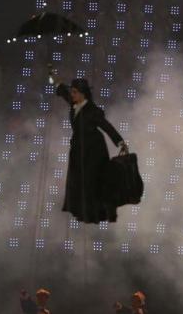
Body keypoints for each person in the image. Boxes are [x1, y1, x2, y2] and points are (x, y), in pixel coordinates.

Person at [52, 73, 128, 224]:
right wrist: (56, 83)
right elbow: (65, 94)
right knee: (78, 180)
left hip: (93, 150)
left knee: (91, 181)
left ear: (82, 94)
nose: (72, 95)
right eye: (72, 92)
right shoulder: (75, 104)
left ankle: (94, 212)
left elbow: (107, 127)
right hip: (79, 149)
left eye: (74, 92)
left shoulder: (93, 110)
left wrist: (120, 142)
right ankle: (80, 209)